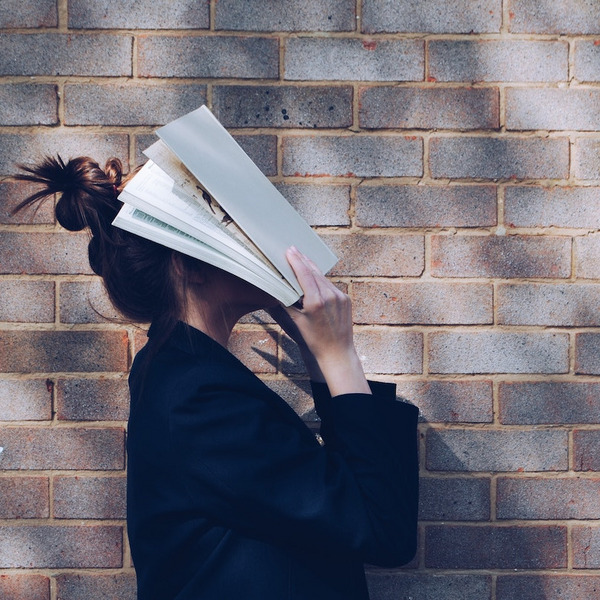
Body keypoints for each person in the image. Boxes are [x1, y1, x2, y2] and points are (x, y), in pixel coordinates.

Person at [14, 155, 419, 600]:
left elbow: (341, 507)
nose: (256, 241)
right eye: (230, 226)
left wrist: (316, 352)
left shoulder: (184, 375)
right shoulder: (196, 398)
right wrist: (339, 354)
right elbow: (382, 528)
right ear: (191, 264)